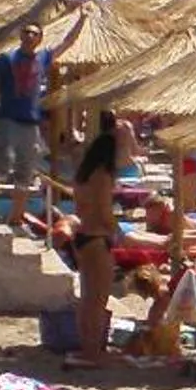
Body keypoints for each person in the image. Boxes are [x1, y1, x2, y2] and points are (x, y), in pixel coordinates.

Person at [68, 114, 131, 364]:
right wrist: (118, 231)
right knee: (98, 299)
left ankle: (87, 348)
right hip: (97, 237)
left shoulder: (83, 175)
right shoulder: (103, 176)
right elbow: (104, 211)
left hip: (83, 235)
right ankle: (92, 352)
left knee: (86, 298)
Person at [0, 19, 52, 207]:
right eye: (27, 32)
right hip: (7, 117)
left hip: (30, 122)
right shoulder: (6, 58)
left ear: (40, 39)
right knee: (1, 165)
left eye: (35, 33)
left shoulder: (42, 58)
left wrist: (81, 20)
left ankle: (16, 214)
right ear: (21, 35)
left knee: (26, 170)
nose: (30, 36)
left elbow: (66, 44)